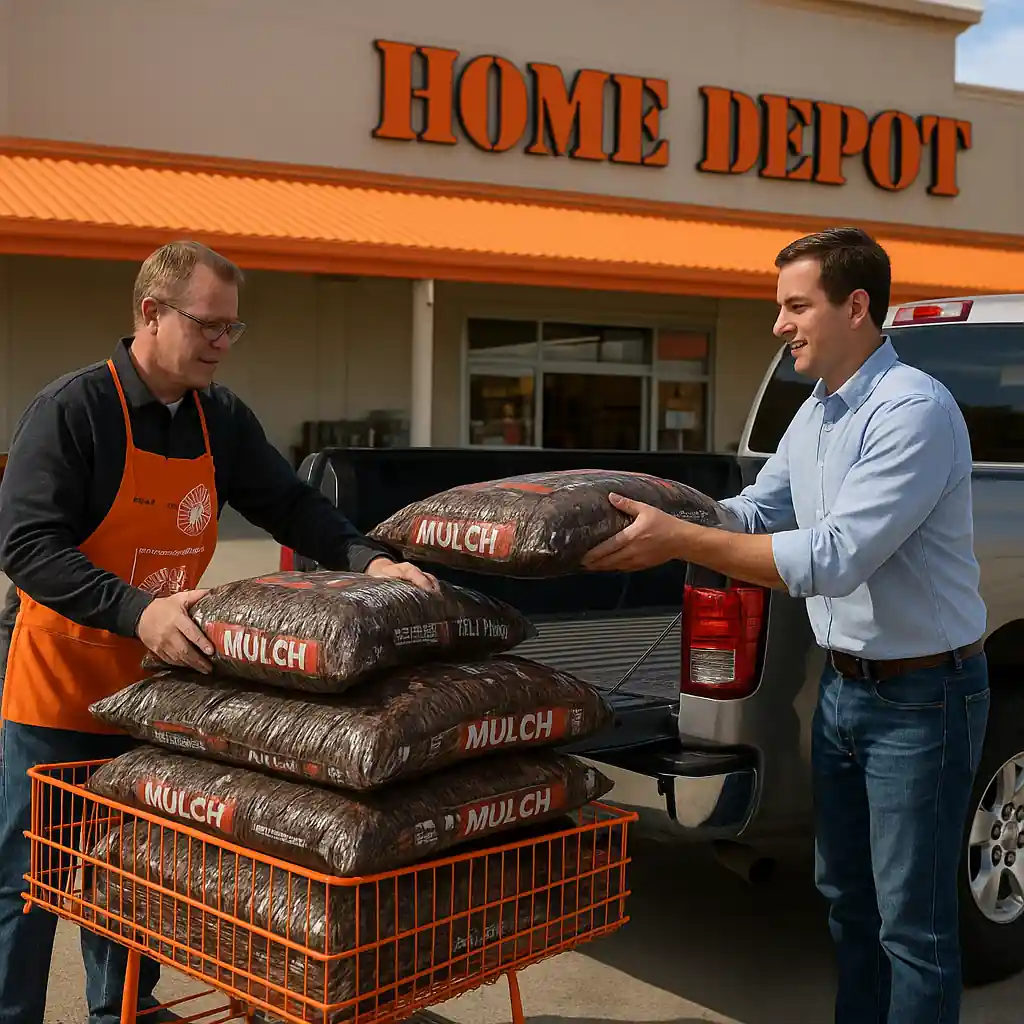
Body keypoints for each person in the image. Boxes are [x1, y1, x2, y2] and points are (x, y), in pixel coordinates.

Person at [0, 240, 435, 1024]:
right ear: (150, 313)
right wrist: (139, 611)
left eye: (233, 330)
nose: (220, 345)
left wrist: (368, 563)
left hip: (162, 702)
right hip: (61, 694)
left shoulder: (219, 418)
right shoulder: (74, 410)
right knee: (29, 882)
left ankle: (121, 1011)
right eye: (208, 326)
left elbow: (293, 506)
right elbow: (27, 547)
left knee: (133, 870)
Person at [582, 226, 988, 1023]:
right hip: (844, 693)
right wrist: (641, 514)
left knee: (914, 923)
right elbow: (753, 510)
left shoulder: (913, 413)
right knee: (845, 898)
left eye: (797, 306)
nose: (780, 325)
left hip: (923, 698)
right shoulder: (816, 414)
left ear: (857, 306)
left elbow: (834, 559)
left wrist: (682, 542)